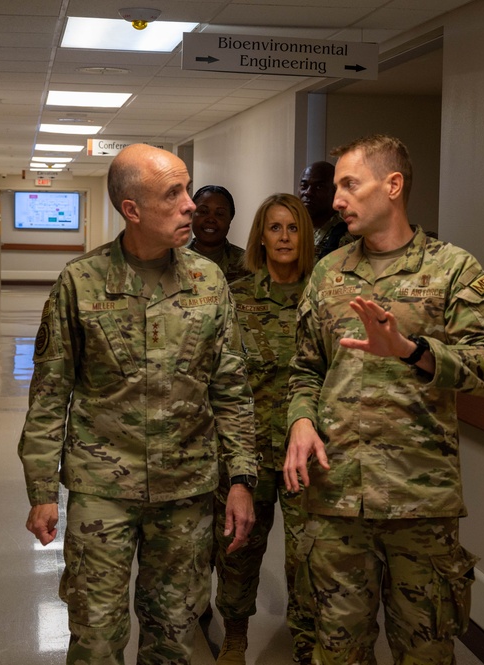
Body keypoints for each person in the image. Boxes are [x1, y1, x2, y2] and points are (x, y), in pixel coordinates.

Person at [18, 143, 258, 664]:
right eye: (173, 194)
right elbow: (50, 392)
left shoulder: (208, 281)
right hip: (102, 489)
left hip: (187, 490)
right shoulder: (80, 284)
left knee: (173, 637)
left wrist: (241, 480)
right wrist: (41, 490)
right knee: (96, 636)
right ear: (132, 209)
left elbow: (232, 388)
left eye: (188, 188)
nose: (191, 204)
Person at [284, 134, 484, 664]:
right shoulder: (328, 272)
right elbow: (304, 369)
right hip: (336, 497)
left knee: (426, 652)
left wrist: (413, 351)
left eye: (349, 184)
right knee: (338, 651)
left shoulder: (453, 269)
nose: (337, 199)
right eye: (336, 186)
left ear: (393, 185)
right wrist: (300, 421)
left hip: (420, 503)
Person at [213, 194, 316, 665]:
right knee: (238, 549)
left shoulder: (323, 298)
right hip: (246, 452)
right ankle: (235, 637)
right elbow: (217, 379)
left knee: (308, 556)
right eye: (275, 228)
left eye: (293, 228)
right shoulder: (236, 296)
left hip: (304, 453)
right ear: (260, 236)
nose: (284, 238)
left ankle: (307, 641)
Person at [186, 184, 251, 283]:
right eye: (203, 211)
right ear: (191, 215)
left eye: (220, 214)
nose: (211, 219)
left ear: (230, 219)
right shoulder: (173, 262)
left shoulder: (248, 264)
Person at [299, 161, 353, 260]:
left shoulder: (343, 235)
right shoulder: (292, 229)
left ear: (335, 192)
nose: (308, 192)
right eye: (304, 186)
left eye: (319, 187)